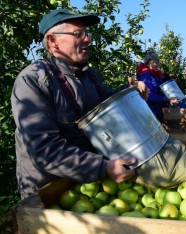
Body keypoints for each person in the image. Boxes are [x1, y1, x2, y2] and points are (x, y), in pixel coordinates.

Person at [11, 9, 149, 199]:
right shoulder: (32, 81)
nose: (87, 39)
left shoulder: (87, 76)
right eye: (78, 34)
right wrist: (101, 167)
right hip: (48, 192)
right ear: (53, 41)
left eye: (87, 33)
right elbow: (45, 150)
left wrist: (131, 93)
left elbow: (108, 107)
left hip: (87, 186)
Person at [136, 49, 186, 122]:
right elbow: (149, 96)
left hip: (157, 109)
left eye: (157, 62)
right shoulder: (145, 76)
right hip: (150, 111)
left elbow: (159, 90)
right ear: (147, 63)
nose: (155, 64)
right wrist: (166, 99)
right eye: (153, 62)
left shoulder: (155, 74)